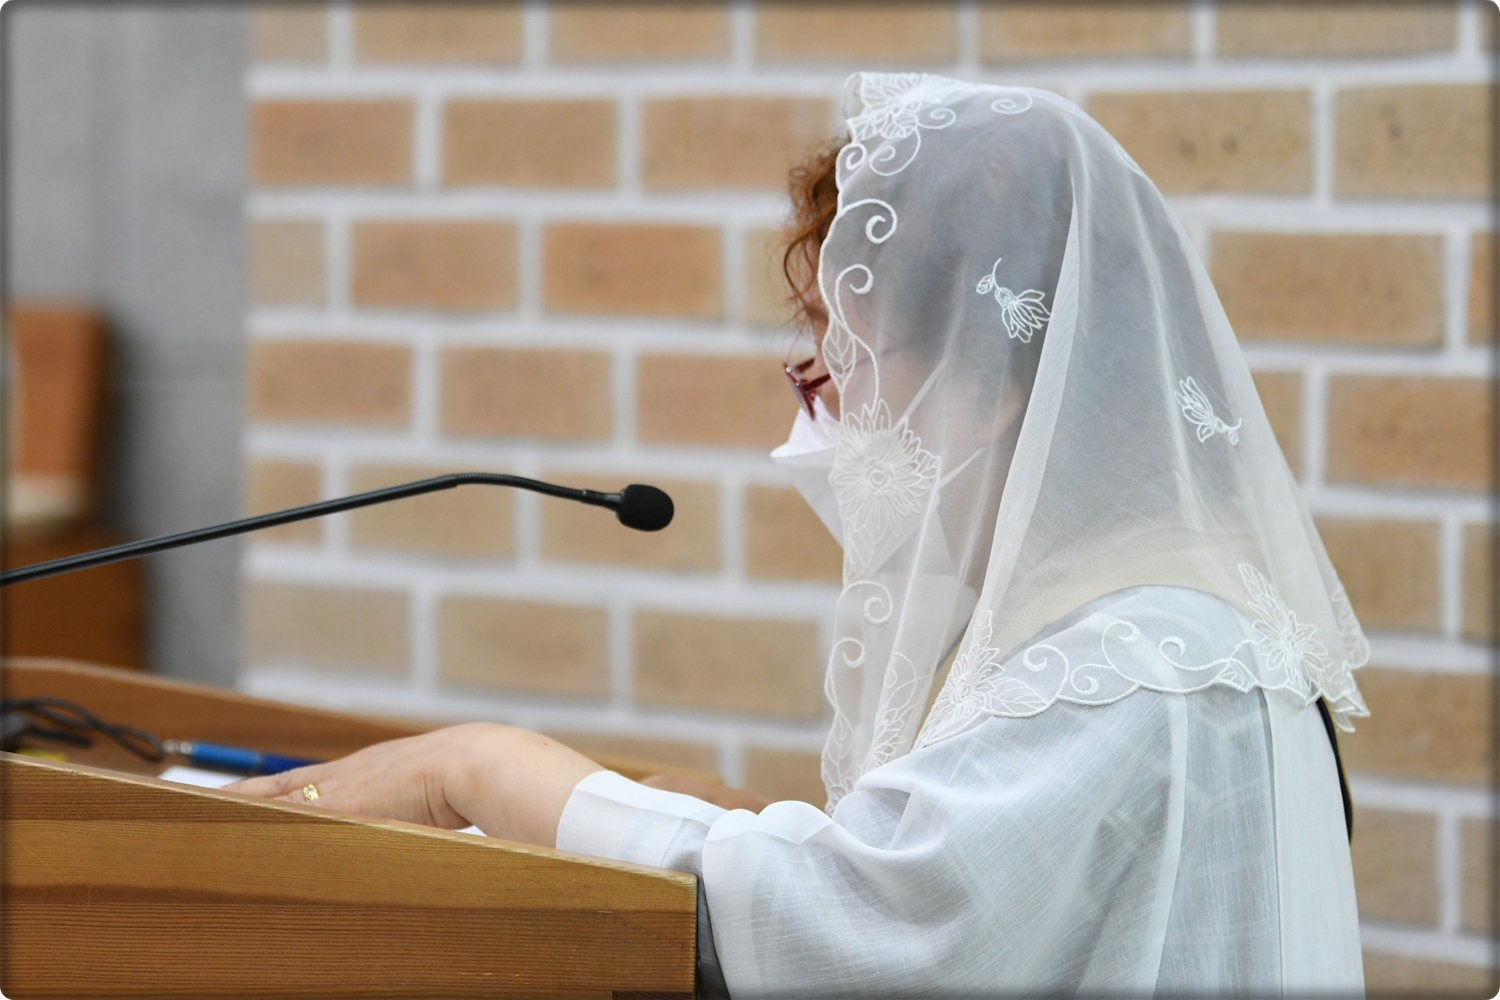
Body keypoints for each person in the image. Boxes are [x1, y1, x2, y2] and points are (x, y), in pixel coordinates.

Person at [231, 73, 1369, 996]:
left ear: (988, 374)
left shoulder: (1134, 658)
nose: (819, 398)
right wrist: (716, 819)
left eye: (844, 347)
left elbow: (860, 934)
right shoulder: (1116, 612)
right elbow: (973, 894)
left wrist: (476, 766)